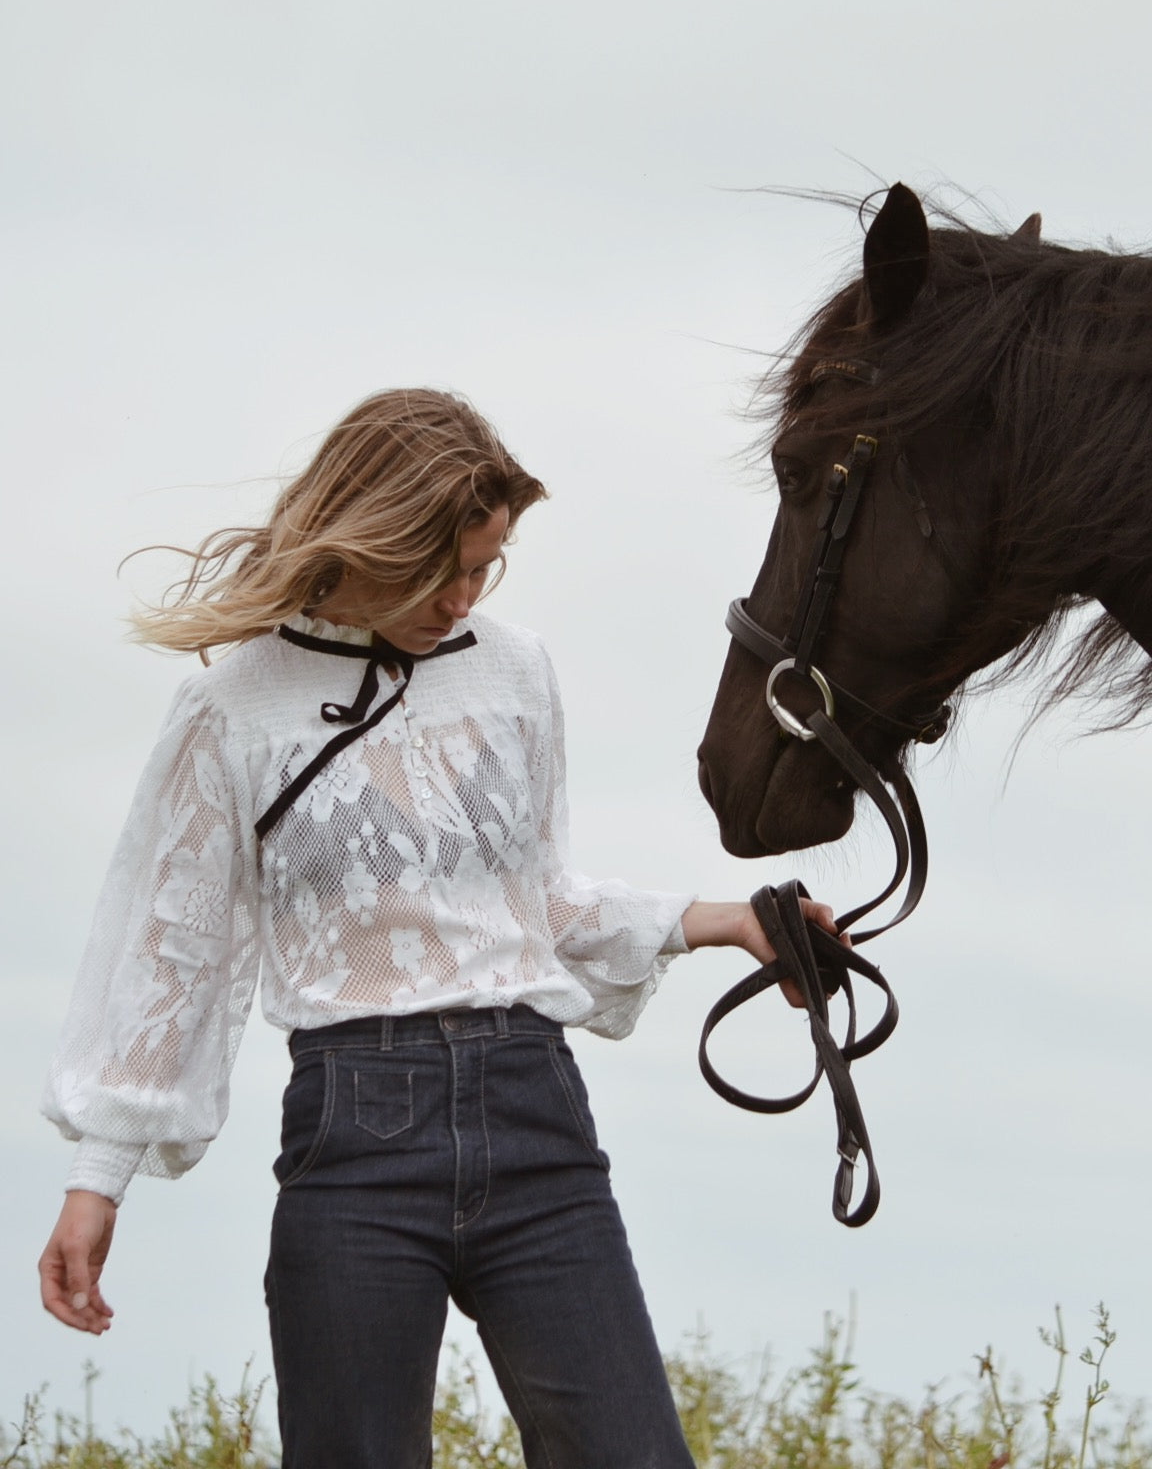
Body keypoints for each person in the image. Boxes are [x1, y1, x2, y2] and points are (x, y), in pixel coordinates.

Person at [40, 388, 836, 1469]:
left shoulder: (515, 674)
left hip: (537, 1116)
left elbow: (541, 902)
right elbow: (174, 946)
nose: (464, 597)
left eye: (485, 567)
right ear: (366, 542)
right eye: (441, 569)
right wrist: (99, 1180)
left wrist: (733, 922)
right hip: (354, 1137)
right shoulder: (234, 709)